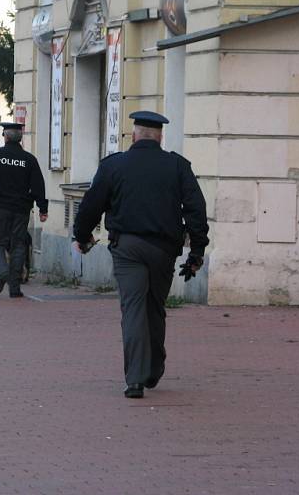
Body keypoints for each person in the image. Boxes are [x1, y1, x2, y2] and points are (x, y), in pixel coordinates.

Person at [72, 111, 209, 399]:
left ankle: (135, 378)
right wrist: (197, 251)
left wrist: (82, 237)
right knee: (155, 307)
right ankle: (153, 369)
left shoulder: (113, 166)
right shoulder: (177, 166)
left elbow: (91, 205)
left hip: (127, 248)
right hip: (163, 250)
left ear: (133, 136)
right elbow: (196, 209)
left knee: (133, 308)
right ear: (160, 137)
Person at [0, 122, 48, 298]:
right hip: (21, 209)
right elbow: (38, 185)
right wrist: (43, 208)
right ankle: (15, 288)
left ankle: (2, 271)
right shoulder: (29, 159)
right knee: (18, 246)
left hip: (0, 208)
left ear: (6, 136)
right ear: (20, 138)